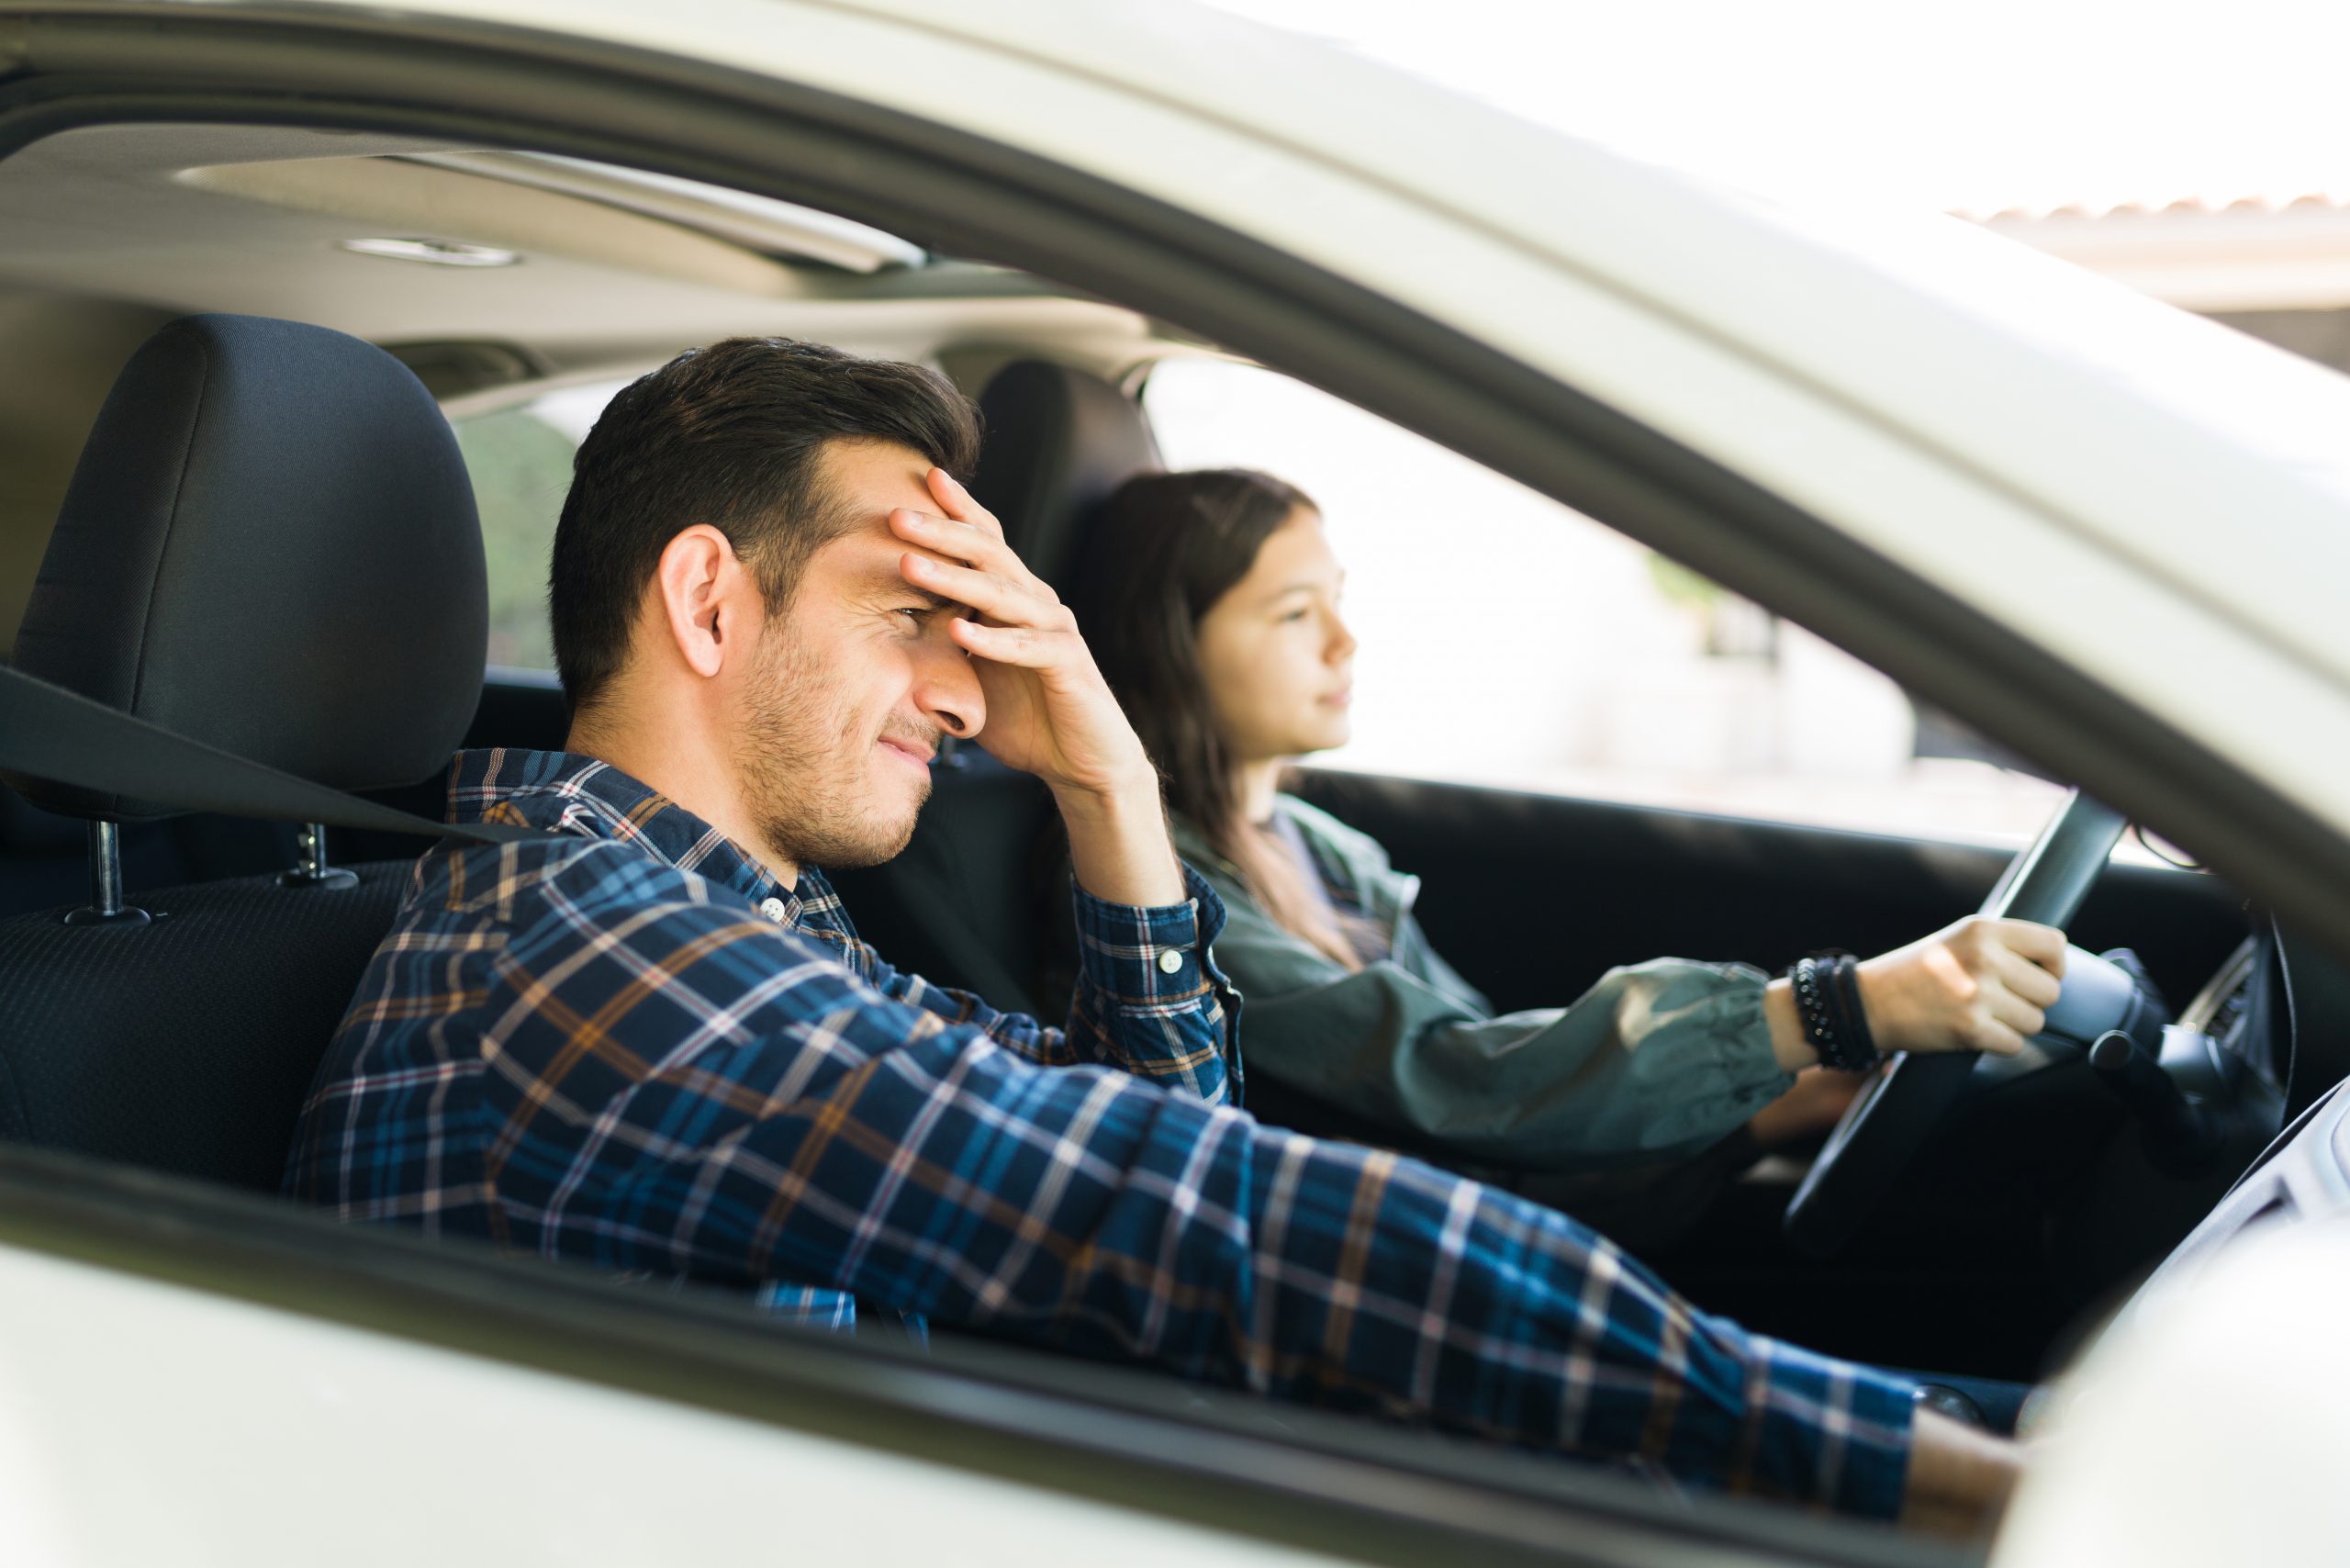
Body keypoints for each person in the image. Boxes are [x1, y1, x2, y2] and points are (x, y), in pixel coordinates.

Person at [285, 339, 2020, 1533]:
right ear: (711, 601)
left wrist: (1111, 783)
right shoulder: (597, 957)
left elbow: (1173, 1136)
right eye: (919, 619)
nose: (971, 695)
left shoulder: (725, 909)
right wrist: (1939, 1480)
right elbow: (1201, 1215)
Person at [1065, 468, 2069, 1229]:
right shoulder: (1171, 896)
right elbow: (1467, 1080)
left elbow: (1502, 1110)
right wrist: (1836, 1009)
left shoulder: (1318, 846)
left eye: (1338, 599)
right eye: (1294, 614)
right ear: (1172, 646)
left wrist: (1771, 1107)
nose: (1345, 642)